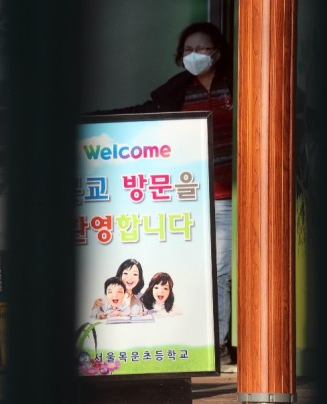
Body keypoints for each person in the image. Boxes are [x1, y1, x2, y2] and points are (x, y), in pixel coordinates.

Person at [93, 22, 234, 366]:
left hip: (231, 196)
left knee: (218, 272)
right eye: (187, 50)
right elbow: (143, 112)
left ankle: (217, 345)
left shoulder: (238, 84)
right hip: (188, 198)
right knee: (196, 272)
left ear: (217, 52)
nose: (194, 55)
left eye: (201, 49)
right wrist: (90, 119)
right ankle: (199, 344)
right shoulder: (178, 90)